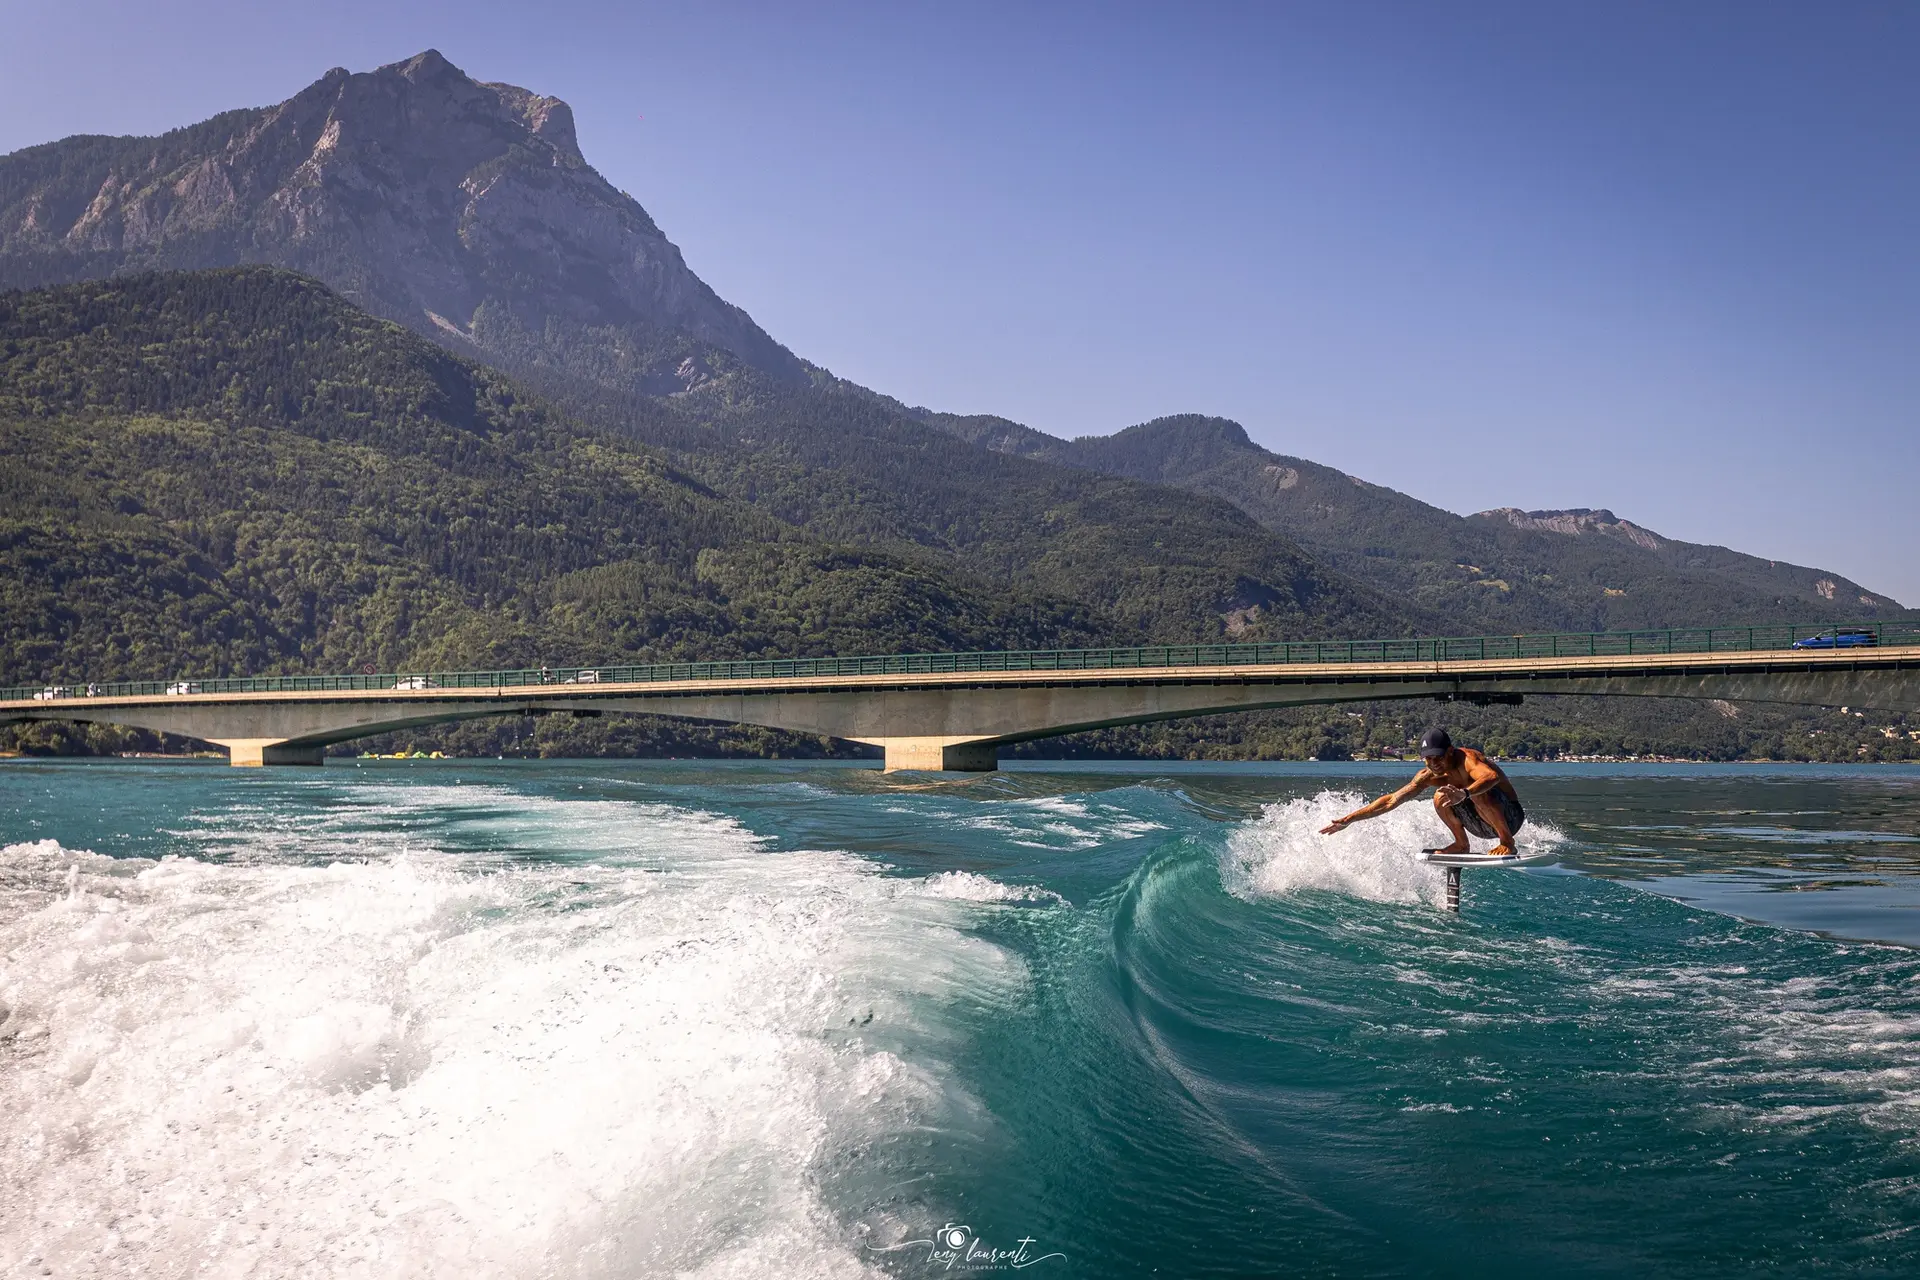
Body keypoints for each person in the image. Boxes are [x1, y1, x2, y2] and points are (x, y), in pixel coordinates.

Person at [1317, 728, 1526, 856]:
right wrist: (1349, 819)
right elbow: (1391, 801)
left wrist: (1465, 794)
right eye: (1428, 759)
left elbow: (1491, 777)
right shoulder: (1427, 775)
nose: (1434, 764)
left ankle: (1507, 843)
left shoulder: (1468, 759)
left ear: (1450, 751)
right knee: (1440, 796)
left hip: (1510, 819)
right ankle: (1462, 845)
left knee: (1477, 790)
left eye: (1438, 758)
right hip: (1479, 824)